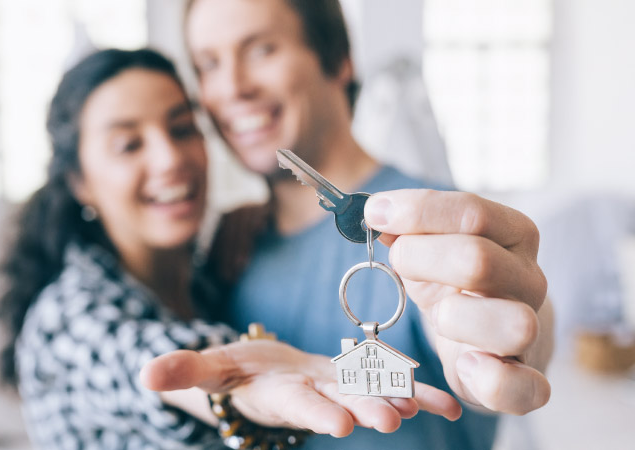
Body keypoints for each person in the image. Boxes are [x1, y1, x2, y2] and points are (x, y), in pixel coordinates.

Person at [0, 48, 459, 449]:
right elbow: (150, 363)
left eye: (181, 129)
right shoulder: (68, 319)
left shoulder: (214, 271)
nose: (170, 158)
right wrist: (233, 380)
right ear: (79, 182)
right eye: (129, 144)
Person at [143, 0, 555, 449]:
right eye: (209, 63)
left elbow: (489, 310)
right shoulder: (229, 242)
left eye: (261, 50)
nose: (232, 87)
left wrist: (501, 347)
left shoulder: (429, 221)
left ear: (338, 59)